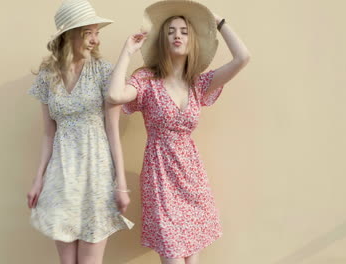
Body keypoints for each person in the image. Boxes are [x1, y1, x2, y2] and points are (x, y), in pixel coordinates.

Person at [106, 0, 250, 263]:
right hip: (159, 177)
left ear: (191, 40)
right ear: (162, 40)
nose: (177, 35)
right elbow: (115, 94)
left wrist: (218, 22)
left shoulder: (199, 83)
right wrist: (127, 51)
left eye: (184, 31)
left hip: (192, 178)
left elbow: (243, 58)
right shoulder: (146, 80)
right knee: (172, 258)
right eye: (171, 31)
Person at [26, 1, 133, 263]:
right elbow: (48, 133)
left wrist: (121, 184)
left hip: (95, 177)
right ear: (69, 34)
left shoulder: (104, 72)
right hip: (60, 177)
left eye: (97, 33)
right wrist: (38, 178)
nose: (96, 40)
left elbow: (112, 131)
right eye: (89, 33)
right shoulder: (47, 76)